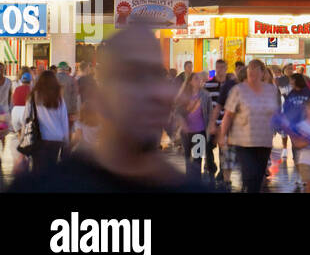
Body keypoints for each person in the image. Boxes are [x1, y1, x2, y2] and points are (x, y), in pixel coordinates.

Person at [9, 26, 211, 192]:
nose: (151, 93)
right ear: (101, 97)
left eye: (156, 77)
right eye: (133, 78)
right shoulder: (42, 187)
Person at [218, 59, 280, 193]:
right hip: (243, 141)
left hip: (264, 141)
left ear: (262, 73)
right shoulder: (238, 90)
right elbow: (228, 114)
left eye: (255, 70)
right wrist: (222, 135)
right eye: (250, 70)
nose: (252, 73)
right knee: (249, 175)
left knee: (258, 177)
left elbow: (275, 114)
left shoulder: (271, 91)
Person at [172, 72, 214, 183]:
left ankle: (196, 183)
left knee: (197, 159)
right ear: (190, 81)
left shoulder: (205, 95)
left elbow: (210, 112)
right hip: (186, 132)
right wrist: (182, 124)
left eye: (200, 79)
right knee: (188, 158)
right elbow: (176, 112)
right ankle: (189, 181)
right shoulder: (184, 95)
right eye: (196, 78)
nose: (199, 80)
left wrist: (210, 128)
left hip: (199, 131)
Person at [24, 70, 69, 174]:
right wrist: (66, 140)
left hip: (39, 138)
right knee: (51, 169)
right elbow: (64, 120)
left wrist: (24, 138)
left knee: (37, 169)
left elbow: (26, 119)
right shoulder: (59, 99)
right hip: (56, 138)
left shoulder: (33, 97)